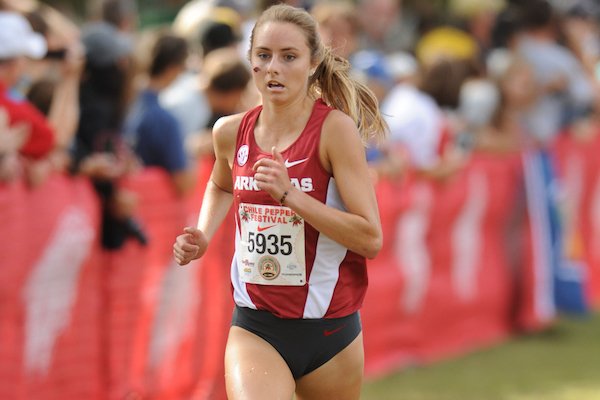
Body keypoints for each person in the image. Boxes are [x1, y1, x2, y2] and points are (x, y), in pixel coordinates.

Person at [173, 4, 386, 399]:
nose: (274, 67)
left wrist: (291, 196)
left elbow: (370, 238)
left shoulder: (334, 131)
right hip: (257, 326)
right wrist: (203, 233)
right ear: (251, 62)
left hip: (330, 331)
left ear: (312, 63)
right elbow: (221, 185)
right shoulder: (229, 132)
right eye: (264, 56)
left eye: (289, 57)